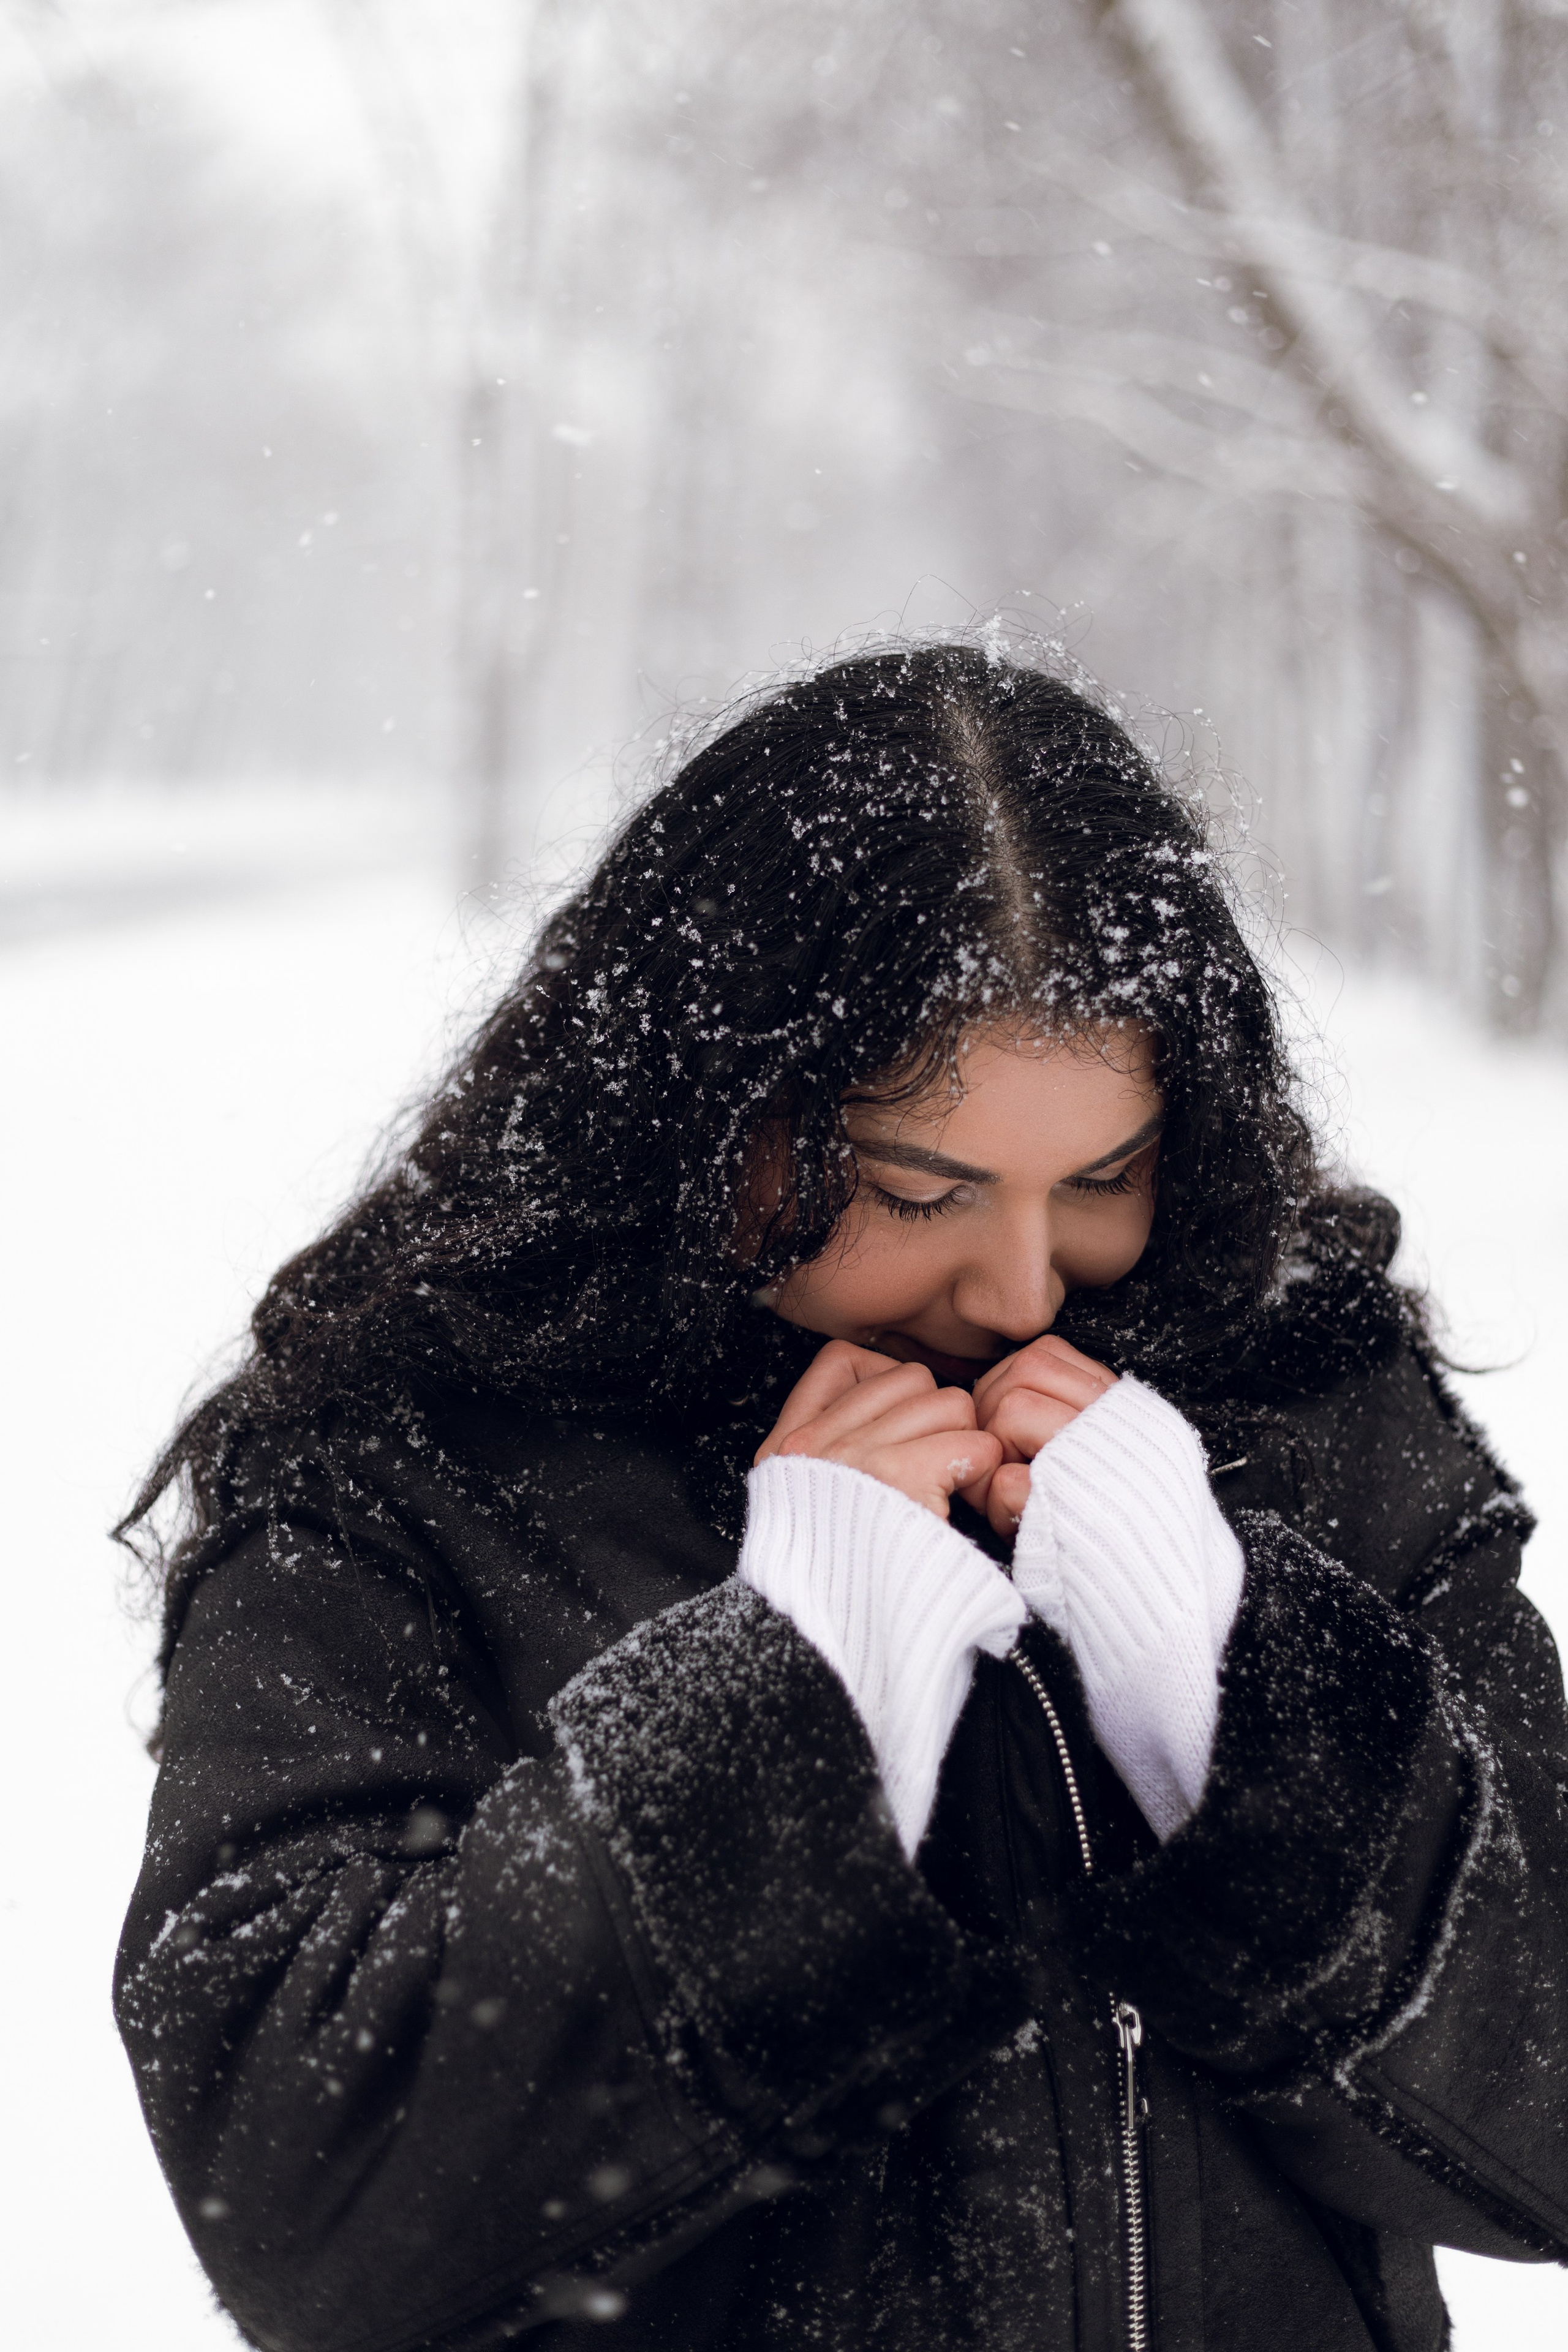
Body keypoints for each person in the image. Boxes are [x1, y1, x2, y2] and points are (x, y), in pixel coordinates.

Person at [116, 645, 1568, 2352]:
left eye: (1103, 1178)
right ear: (697, 1108)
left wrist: (1241, 1694)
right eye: (922, 1188)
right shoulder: (416, 1466)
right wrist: (791, 1693)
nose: (1023, 1287)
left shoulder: (1302, 1397)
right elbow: (300, 2199)